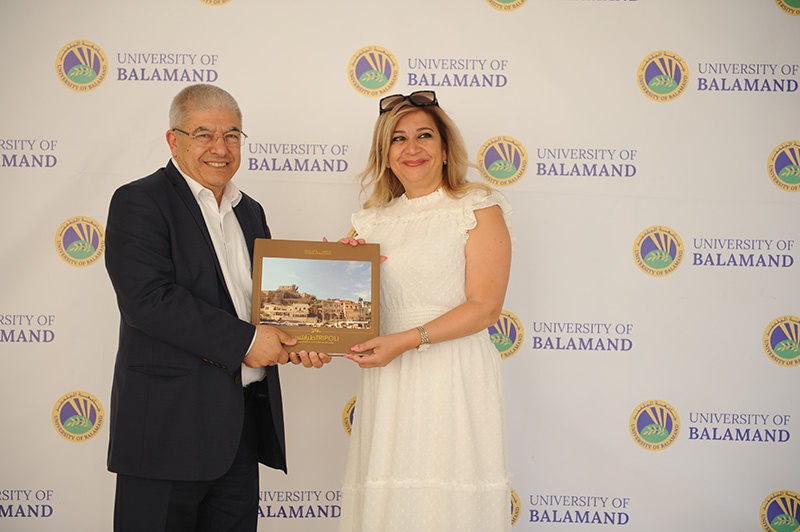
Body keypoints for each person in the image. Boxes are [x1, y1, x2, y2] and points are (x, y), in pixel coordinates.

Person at [104, 84, 330, 532]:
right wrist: (248, 342)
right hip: (168, 428)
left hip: (240, 429)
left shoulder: (251, 211)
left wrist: (307, 329)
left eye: (231, 135)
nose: (220, 148)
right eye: (203, 134)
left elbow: (264, 305)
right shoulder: (140, 201)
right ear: (174, 140)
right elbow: (148, 300)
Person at [338, 90, 513, 532]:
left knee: (447, 496)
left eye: (424, 136)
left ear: (446, 147)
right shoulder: (369, 223)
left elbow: (485, 307)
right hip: (389, 376)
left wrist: (406, 340)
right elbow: (349, 313)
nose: (411, 148)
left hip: (452, 372)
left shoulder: (476, 207)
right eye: (398, 139)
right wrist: (336, 273)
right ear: (385, 153)